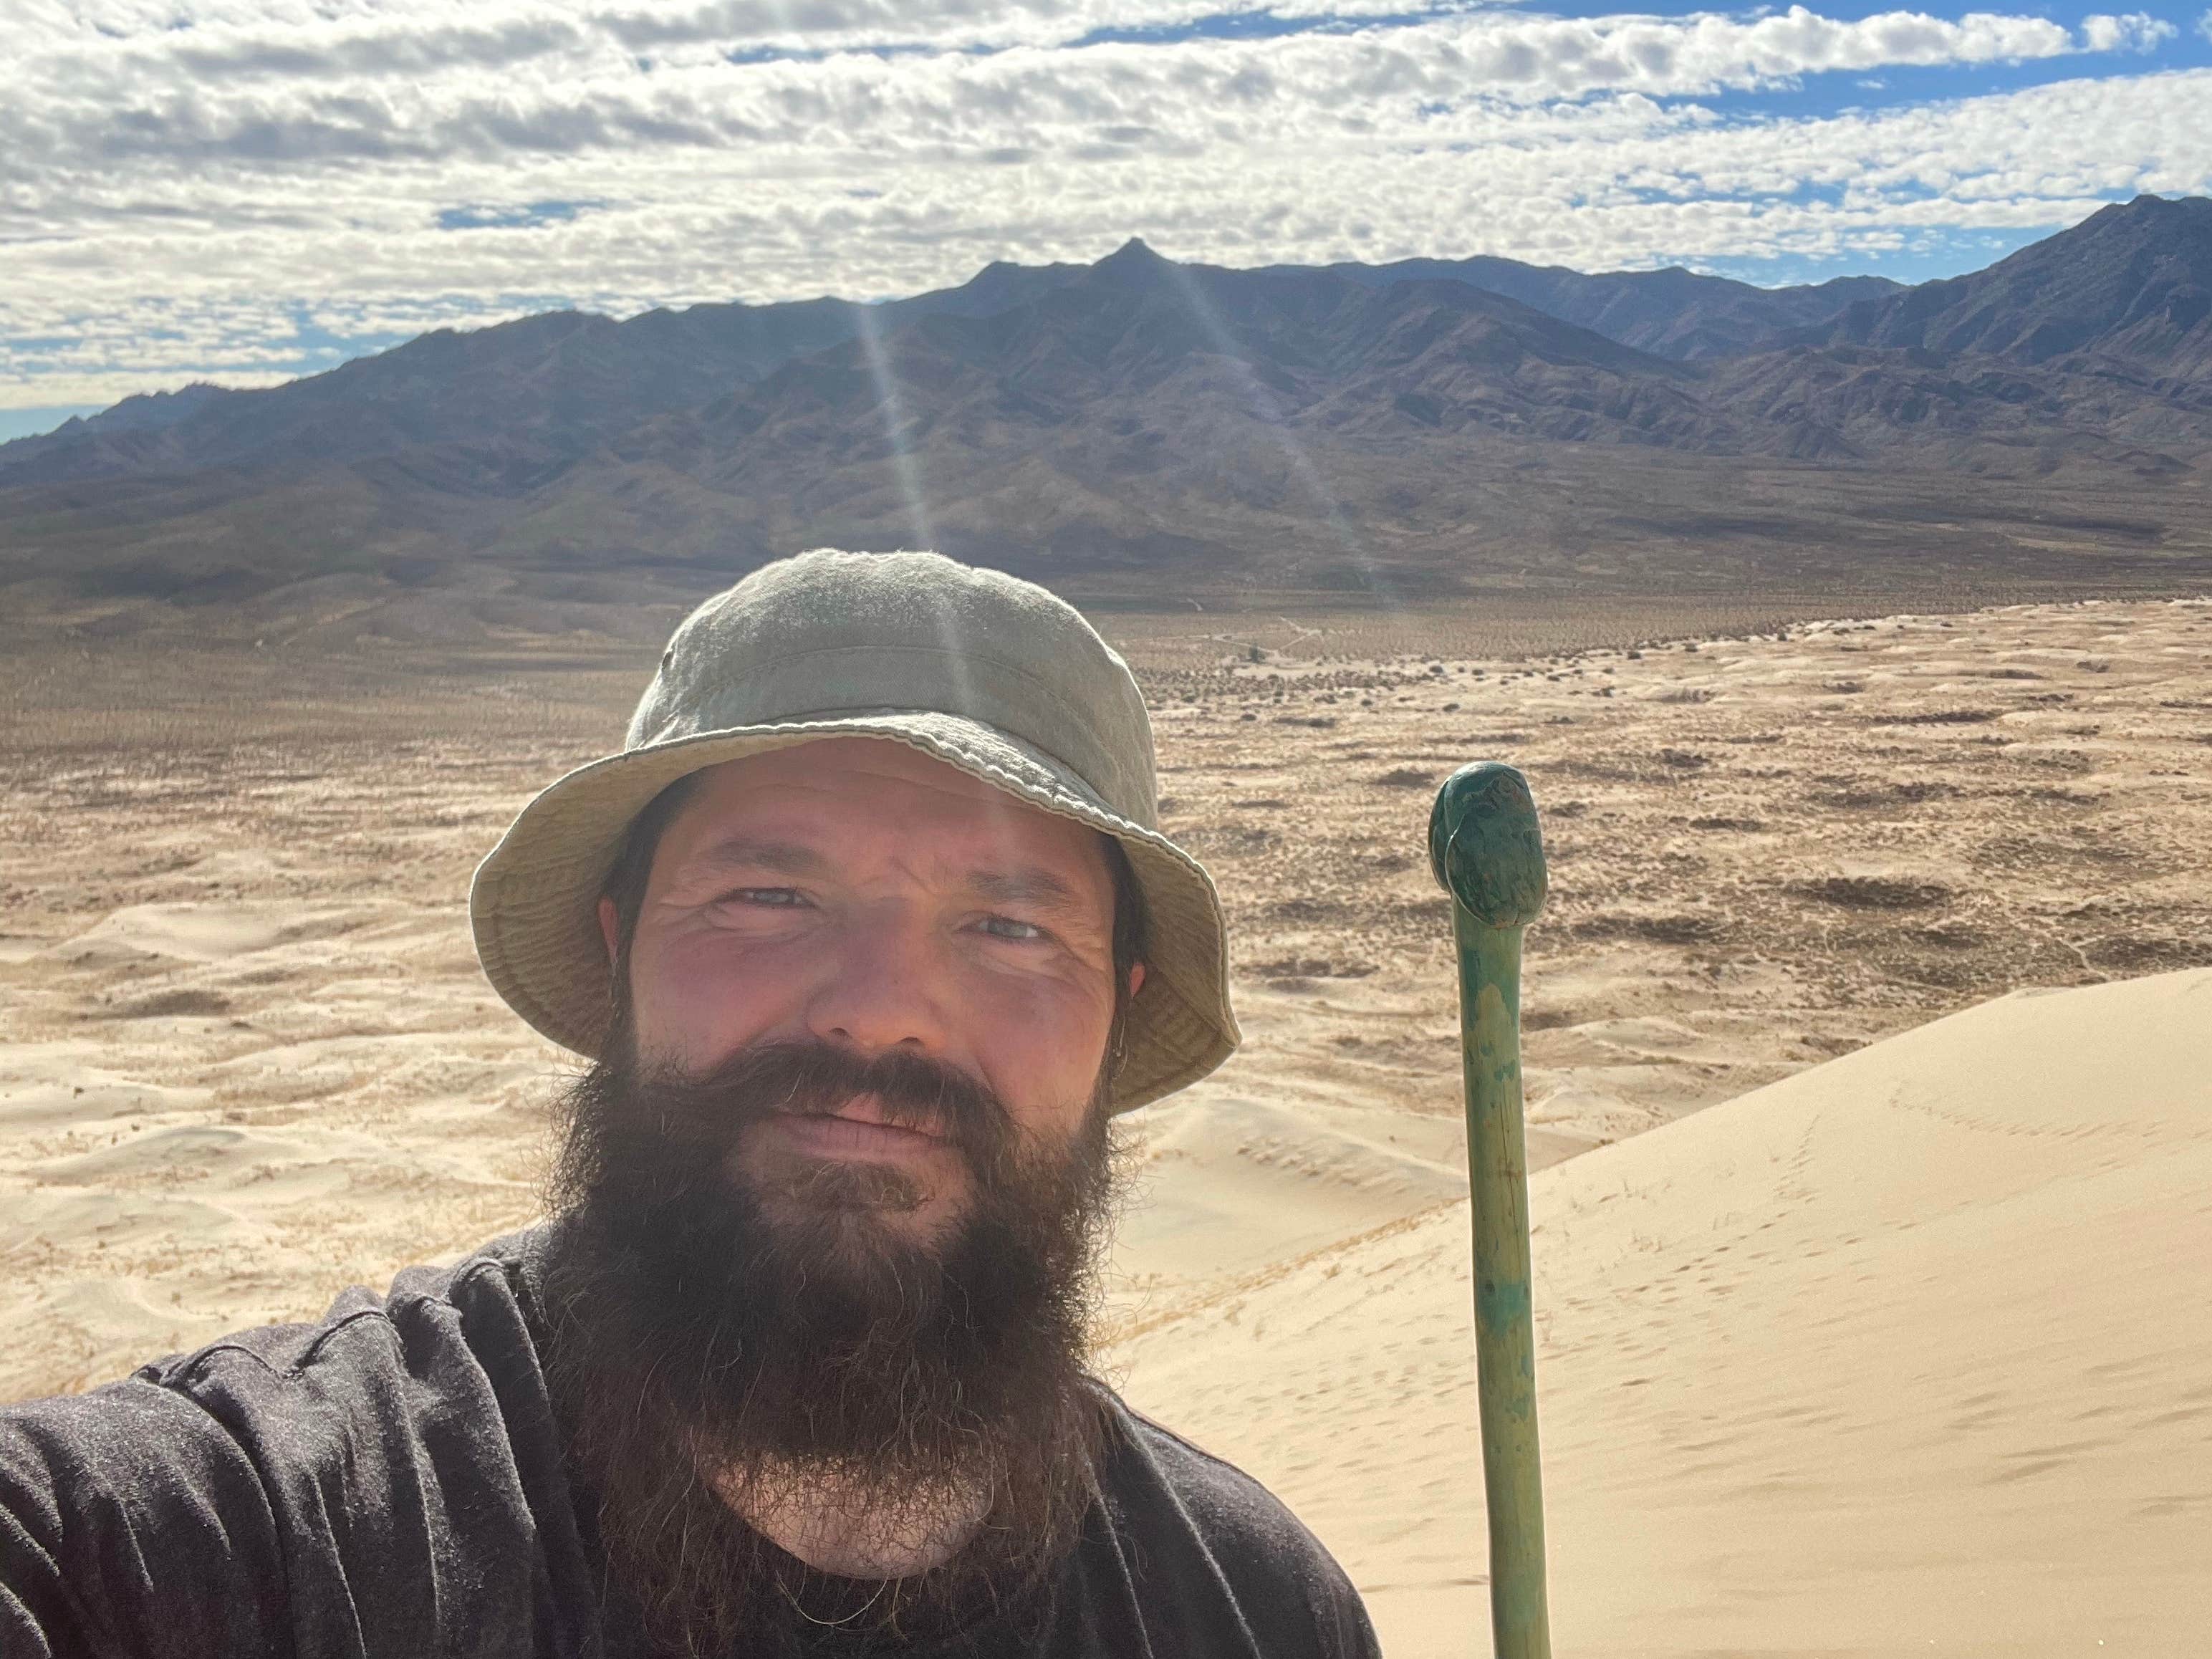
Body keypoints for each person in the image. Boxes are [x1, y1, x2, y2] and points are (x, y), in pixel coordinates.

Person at [0, 549, 1382, 1659]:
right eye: (768, 896)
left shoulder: (1256, 1612)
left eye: (1012, 927)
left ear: (1119, 1010)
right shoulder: (286, 1529)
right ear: (620, 953)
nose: (879, 1006)